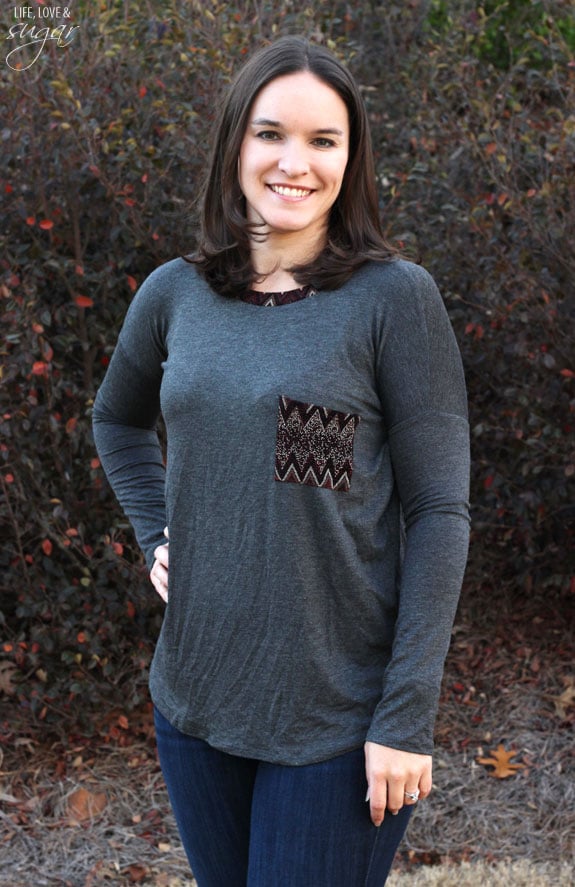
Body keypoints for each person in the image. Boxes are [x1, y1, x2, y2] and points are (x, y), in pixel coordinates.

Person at [92, 35, 470, 887]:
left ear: (351, 157)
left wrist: (406, 717)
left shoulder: (390, 300)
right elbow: (117, 420)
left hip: (334, 721)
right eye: (270, 134)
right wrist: (157, 529)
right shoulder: (175, 293)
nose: (293, 162)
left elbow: (436, 511)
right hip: (193, 699)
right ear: (233, 144)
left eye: (322, 140)